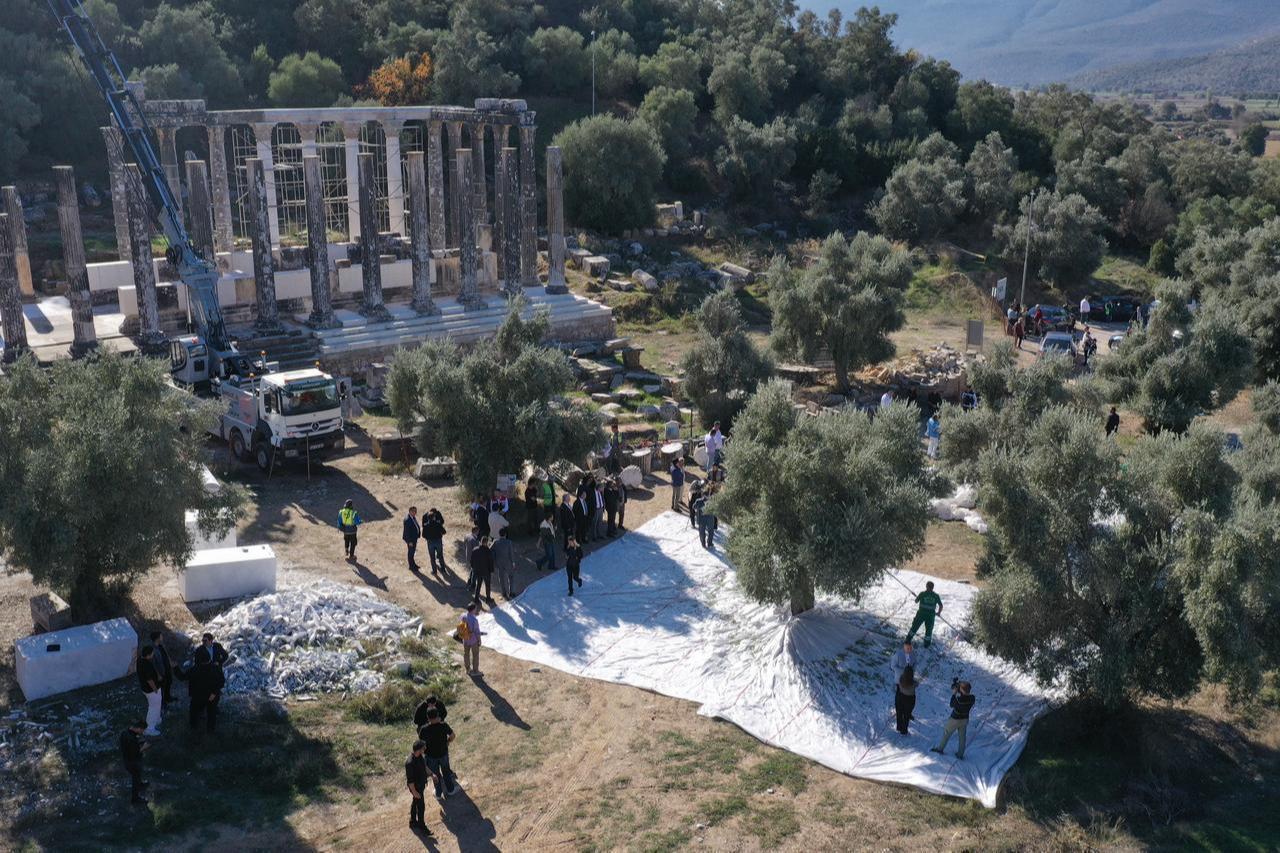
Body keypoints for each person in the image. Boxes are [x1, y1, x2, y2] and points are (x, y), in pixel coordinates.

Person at [418, 707, 457, 799]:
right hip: (443, 754)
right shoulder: (444, 725)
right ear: (438, 715)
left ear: (428, 718)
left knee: (435, 775)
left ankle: (438, 794)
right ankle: (451, 790)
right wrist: (447, 742)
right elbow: (453, 736)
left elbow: (421, 744)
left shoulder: (424, 729)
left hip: (431, 757)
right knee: (446, 772)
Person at [932, 680, 976, 759]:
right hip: (965, 719)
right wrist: (960, 690)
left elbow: (951, 704)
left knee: (946, 733)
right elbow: (965, 696)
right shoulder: (972, 698)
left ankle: (940, 749)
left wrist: (954, 693)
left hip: (955, 719)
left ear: (961, 690)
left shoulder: (958, 700)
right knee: (962, 737)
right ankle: (960, 754)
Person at [188, 645, 225, 733]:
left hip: (199, 696)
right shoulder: (214, 668)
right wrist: (214, 693)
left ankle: (194, 728)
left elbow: (182, 677)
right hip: (208, 696)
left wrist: (175, 668)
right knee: (210, 713)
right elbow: (221, 682)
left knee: (196, 711)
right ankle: (208, 730)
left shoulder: (194, 669)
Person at [405, 740, 435, 828]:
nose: (425, 749)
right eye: (423, 748)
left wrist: (432, 774)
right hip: (416, 787)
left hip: (420, 785)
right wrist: (414, 792)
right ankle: (422, 825)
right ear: (418, 749)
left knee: (415, 802)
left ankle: (413, 821)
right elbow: (410, 781)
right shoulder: (410, 763)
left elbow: (424, 767)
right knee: (421, 806)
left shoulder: (420, 756)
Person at [119, 720, 149, 805]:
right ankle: (135, 799)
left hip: (126, 759)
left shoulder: (125, 732)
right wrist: (145, 747)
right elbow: (136, 752)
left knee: (138, 776)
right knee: (136, 777)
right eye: (142, 730)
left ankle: (140, 784)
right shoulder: (131, 739)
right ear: (138, 728)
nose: (142, 732)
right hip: (132, 762)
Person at [906, 581, 943, 647]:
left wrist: (917, 596)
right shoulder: (936, 596)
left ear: (927, 586)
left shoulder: (922, 594)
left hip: (921, 615)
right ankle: (926, 644)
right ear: (932, 588)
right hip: (930, 616)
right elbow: (941, 605)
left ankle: (908, 640)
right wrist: (938, 613)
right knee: (929, 630)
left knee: (915, 627)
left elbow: (916, 601)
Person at [137, 645, 162, 736]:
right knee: (153, 707)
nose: (153, 654)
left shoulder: (140, 659)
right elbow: (149, 679)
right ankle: (150, 728)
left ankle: (157, 719)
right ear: (148, 655)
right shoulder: (145, 664)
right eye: (152, 653)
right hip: (151, 690)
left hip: (146, 688)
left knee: (157, 704)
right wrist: (155, 688)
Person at [150, 631, 173, 708]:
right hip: (161, 672)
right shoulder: (152, 650)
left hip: (167, 669)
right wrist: (158, 674)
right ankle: (162, 703)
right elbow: (153, 665)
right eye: (161, 636)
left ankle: (168, 698)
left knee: (169, 683)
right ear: (157, 639)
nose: (162, 637)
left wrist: (170, 662)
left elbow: (166, 655)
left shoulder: (161, 645)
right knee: (162, 688)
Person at [470, 536, 494, 606]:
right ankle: (488, 598)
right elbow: (491, 562)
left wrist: (473, 568)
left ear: (480, 541)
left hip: (477, 571)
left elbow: (471, 560)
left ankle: (476, 598)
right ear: (486, 543)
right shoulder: (488, 551)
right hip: (486, 572)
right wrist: (491, 570)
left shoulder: (475, 549)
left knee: (478, 585)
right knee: (488, 585)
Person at [895, 665, 920, 736]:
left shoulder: (901, 679)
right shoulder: (913, 683)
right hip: (910, 699)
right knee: (906, 715)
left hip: (901, 697)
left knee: (899, 713)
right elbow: (917, 684)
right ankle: (904, 730)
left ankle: (899, 727)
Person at [492, 528, 517, 599]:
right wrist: (513, 562)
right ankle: (511, 592)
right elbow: (511, 553)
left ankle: (504, 593)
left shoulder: (495, 542)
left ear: (499, 534)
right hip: (508, 562)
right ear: (505, 534)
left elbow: (490, 550)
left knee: (502, 578)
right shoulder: (509, 542)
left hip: (499, 563)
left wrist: (495, 560)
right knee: (511, 577)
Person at [459, 603, 483, 675]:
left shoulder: (463, 616)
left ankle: (467, 669)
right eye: (475, 609)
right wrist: (479, 640)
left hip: (465, 639)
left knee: (466, 654)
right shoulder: (474, 620)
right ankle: (475, 671)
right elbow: (477, 632)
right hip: (473, 640)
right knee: (475, 655)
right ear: (473, 610)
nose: (476, 610)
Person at [423, 508, 447, 576]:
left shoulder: (426, 526)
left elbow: (423, 535)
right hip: (438, 541)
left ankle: (434, 571)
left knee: (432, 557)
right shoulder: (438, 524)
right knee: (440, 555)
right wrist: (440, 534)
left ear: (428, 518)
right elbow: (444, 532)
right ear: (434, 517)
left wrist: (428, 538)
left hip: (430, 542)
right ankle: (443, 569)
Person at [403, 506, 422, 573]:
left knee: (413, 552)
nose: (415, 512)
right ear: (410, 511)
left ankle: (413, 564)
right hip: (410, 540)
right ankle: (411, 566)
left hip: (414, 539)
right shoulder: (407, 520)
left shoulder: (413, 517)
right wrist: (409, 541)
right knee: (411, 552)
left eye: (416, 511)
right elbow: (407, 532)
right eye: (414, 511)